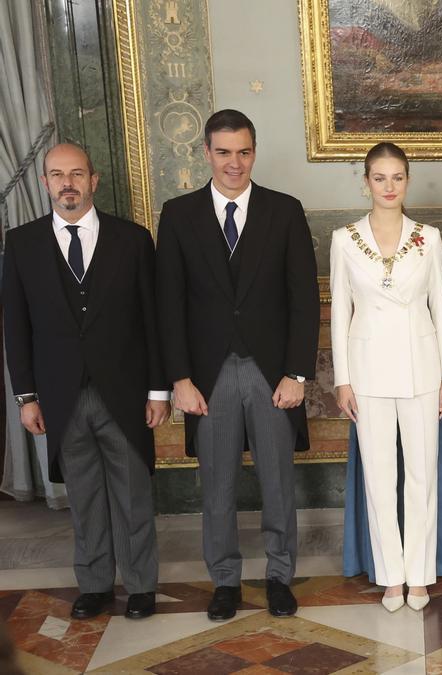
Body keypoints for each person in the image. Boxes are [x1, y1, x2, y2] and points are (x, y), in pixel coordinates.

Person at [156, 110, 320, 621]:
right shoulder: (179, 214)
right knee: (218, 487)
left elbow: (303, 300)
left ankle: (278, 577)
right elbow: (169, 303)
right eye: (224, 152)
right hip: (207, 376)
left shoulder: (285, 210)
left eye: (243, 151)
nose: (234, 162)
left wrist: (297, 374)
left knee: (278, 483)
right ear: (206, 152)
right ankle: (224, 581)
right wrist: (179, 379)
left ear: (254, 151)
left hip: (271, 373)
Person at [2, 143, 169, 620]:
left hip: (125, 391)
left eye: (77, 173)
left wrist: (158, 390)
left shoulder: (133, 240)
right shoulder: (23, 243)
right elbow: (16, 325)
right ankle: (94, 585)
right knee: (85, 497)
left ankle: (140, 586)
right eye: (57, 175)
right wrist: (27, 396)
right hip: (59, 395)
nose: (67, 183)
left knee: (133, 495)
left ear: (94, 180)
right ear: (45, 183)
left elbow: (152, 321)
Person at [331, 143, 442, 611]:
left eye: (397, 177)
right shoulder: (344, 239)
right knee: (379, 477)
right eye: (379, 178)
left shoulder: (428, 236)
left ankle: (419, 574)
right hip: (366, 374)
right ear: (365, 182)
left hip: (422, 369)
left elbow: (441, 308)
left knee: (422, 474)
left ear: (408, 181)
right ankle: (390, 575)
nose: (388, 186)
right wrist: (343, 380)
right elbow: (341, 311)